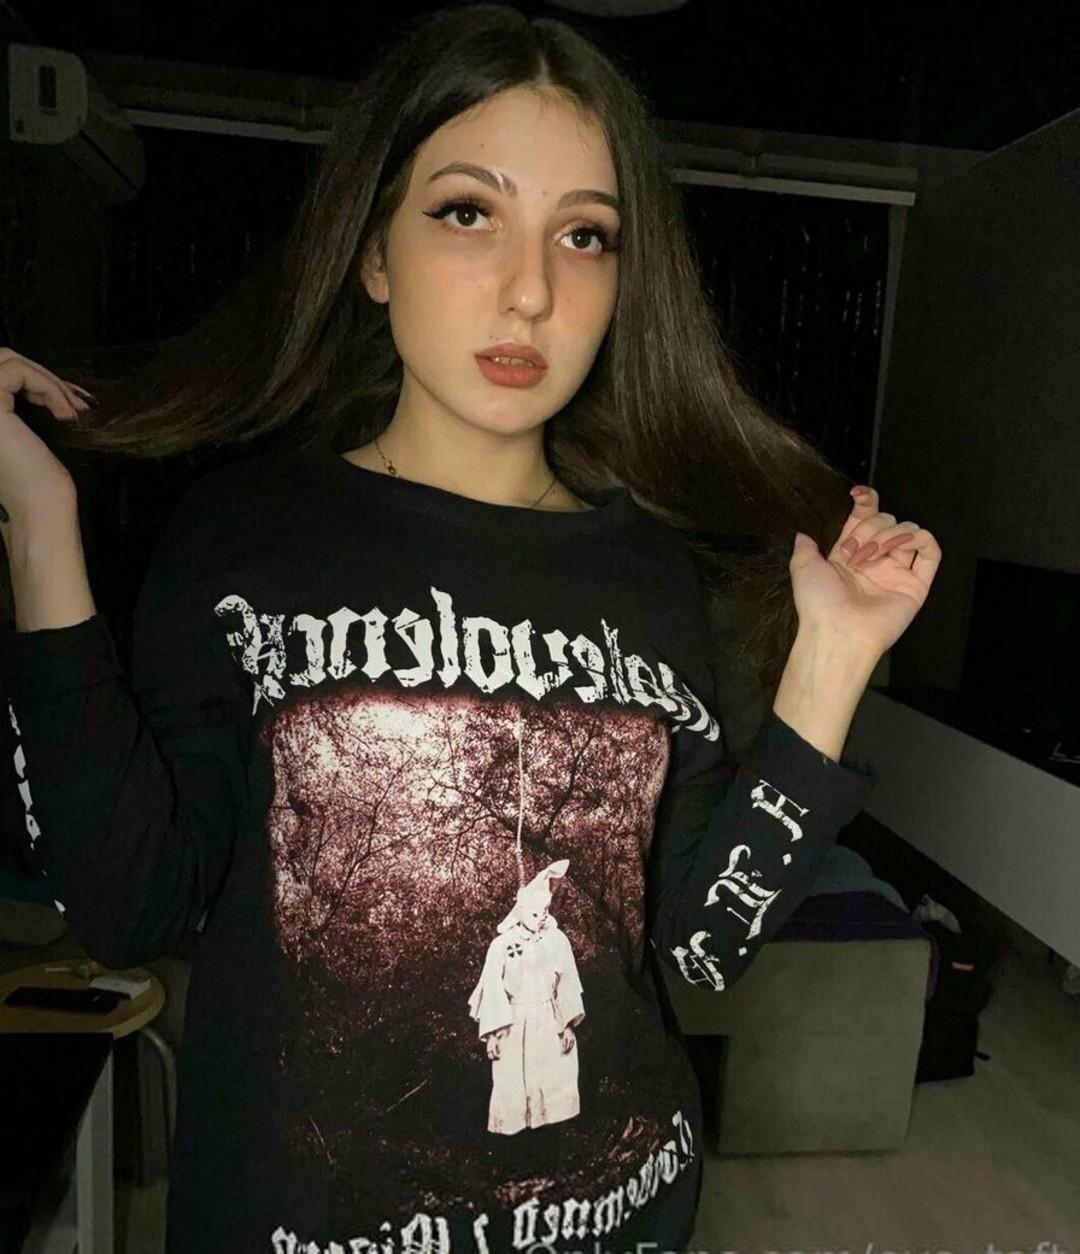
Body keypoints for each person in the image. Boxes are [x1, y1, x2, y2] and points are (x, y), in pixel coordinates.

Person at [0, 5, 940, 1251]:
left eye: (585, 235)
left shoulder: (656, 578)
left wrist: (835, 657)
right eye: (466, 212)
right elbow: (130, 908)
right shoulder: (247, 538)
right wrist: (37, 530)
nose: (533, 290)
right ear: (373, 254)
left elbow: (702, 950)